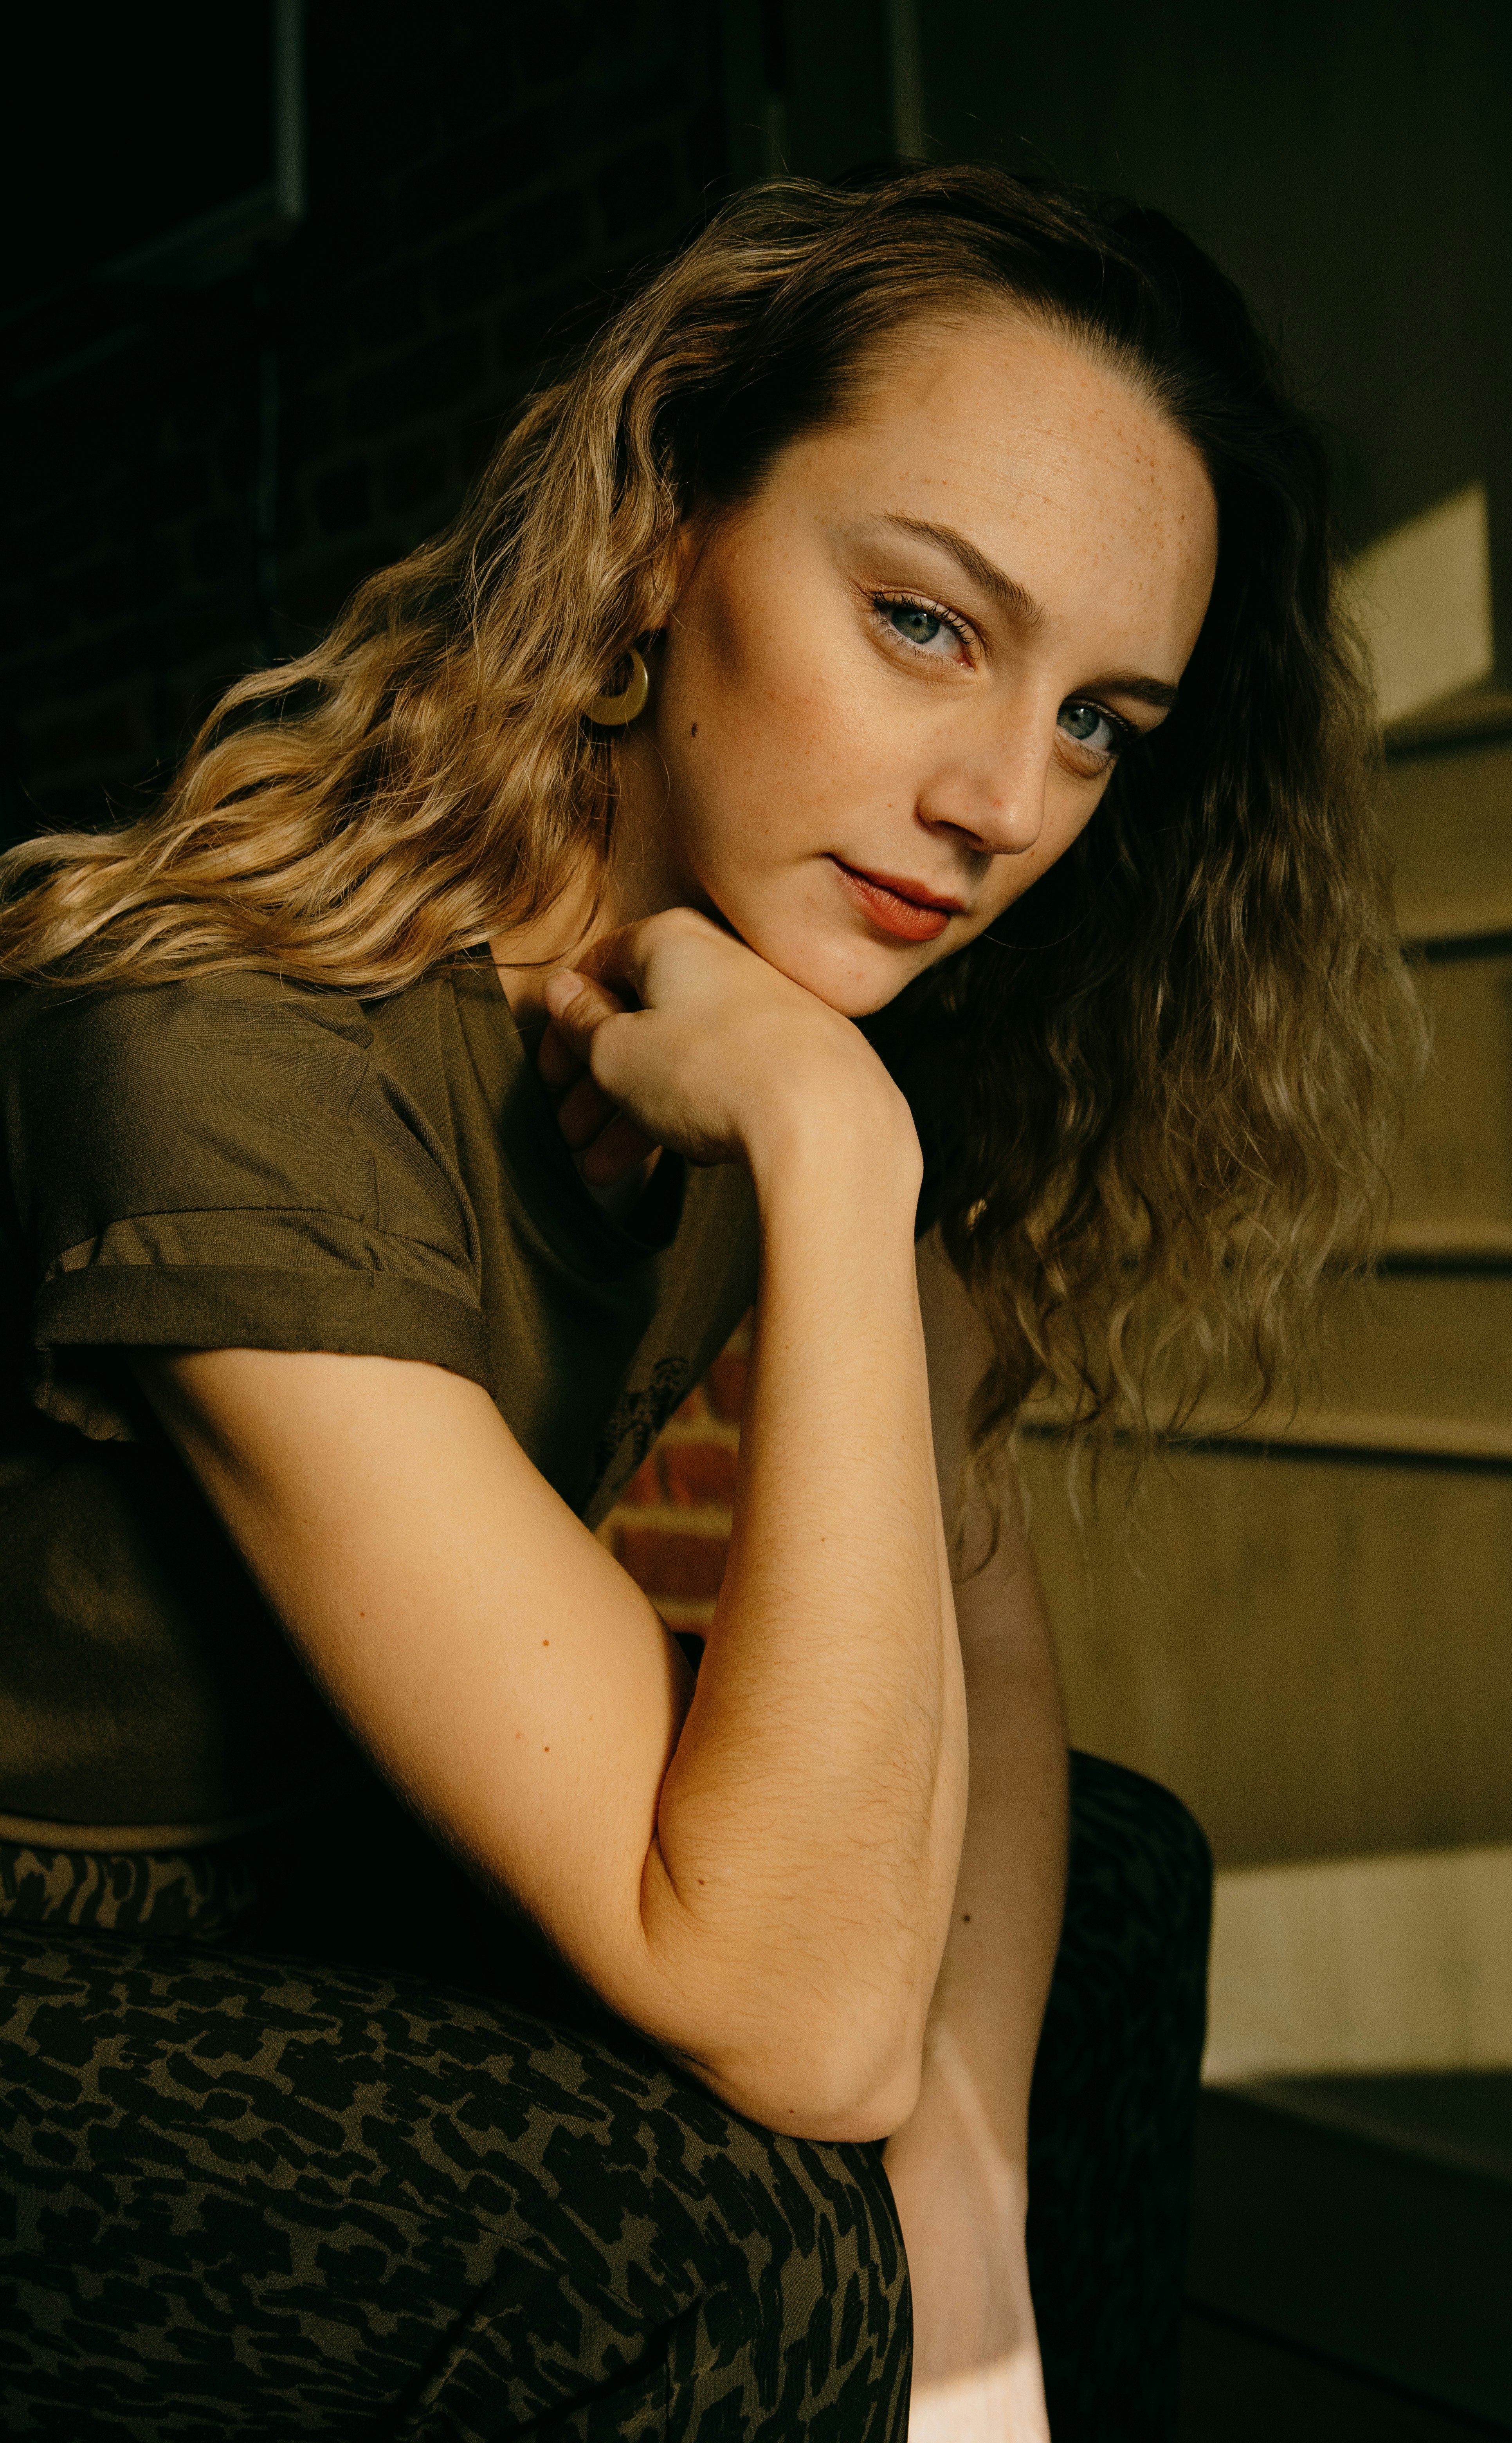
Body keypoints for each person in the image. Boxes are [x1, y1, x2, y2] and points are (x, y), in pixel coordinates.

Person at [0, 165, 1411, 2440]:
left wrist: (970, 2213)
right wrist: (845, 1174)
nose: (1001, 808)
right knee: (719, 2222)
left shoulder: (745, 1011)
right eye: (931, 625)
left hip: (311, 1825)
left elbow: (977, 1627)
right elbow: (795, 2008)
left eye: (1100, 726)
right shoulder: (233, 1056)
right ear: (668, 535)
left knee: (1113, 1888)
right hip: (50, 1933)